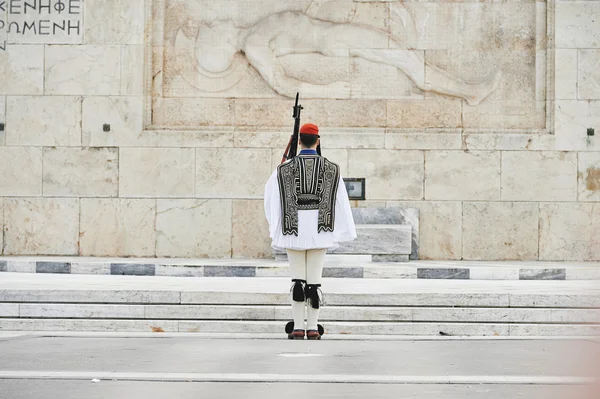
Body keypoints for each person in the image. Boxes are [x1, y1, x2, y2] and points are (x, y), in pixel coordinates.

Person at [264, 123, 357, 340]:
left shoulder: (283, 169)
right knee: (314, 281)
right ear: (318, 141)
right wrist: (341, 230)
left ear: (299, 141)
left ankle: (298, 327)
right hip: (320, 230)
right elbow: (341, 202)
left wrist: (275, 225)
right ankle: (313, 328)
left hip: (292, 229)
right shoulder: (332, 169)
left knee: (298, 280)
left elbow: (270, 198)